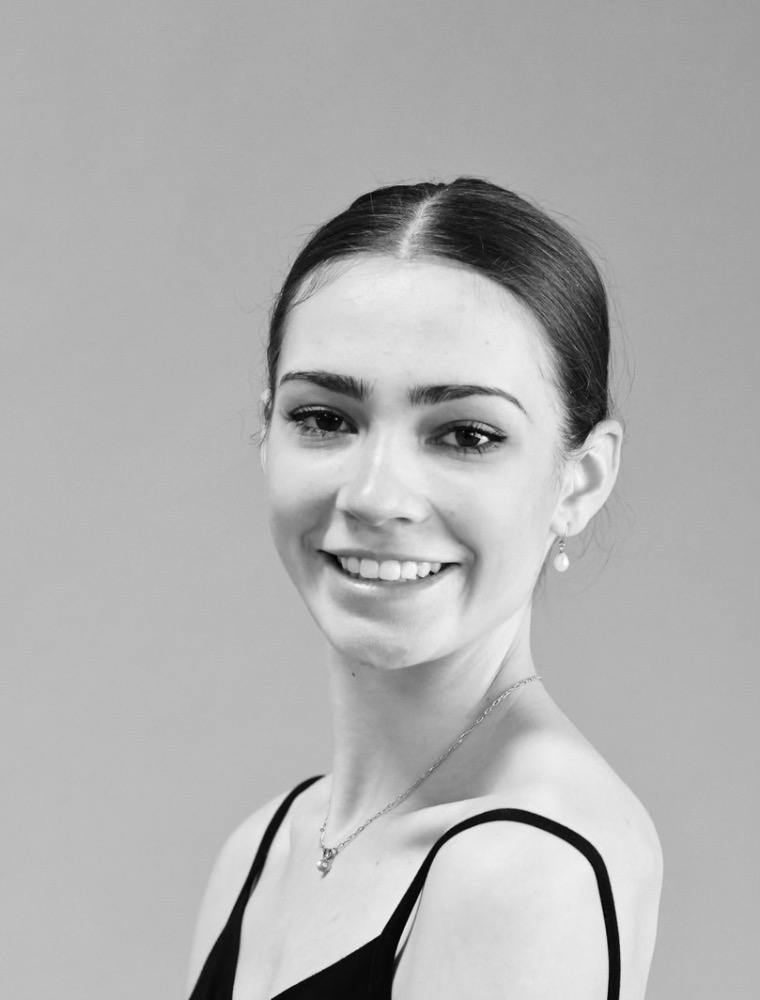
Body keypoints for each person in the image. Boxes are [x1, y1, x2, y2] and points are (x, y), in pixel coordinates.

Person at [186, 177, 663, 999]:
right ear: (267, 434)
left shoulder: (522, 867)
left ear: (581, 481)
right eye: (324, 419)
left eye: (466, 435)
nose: (375, 496)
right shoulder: (263, 849)